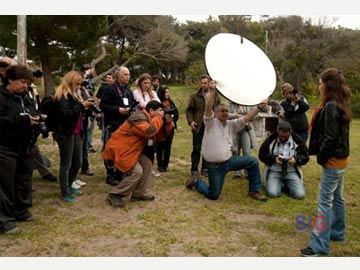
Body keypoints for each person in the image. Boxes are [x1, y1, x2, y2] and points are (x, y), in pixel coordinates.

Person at [186, 81, 268, 202]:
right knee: (213, 195)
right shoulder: (210, 123)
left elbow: (246, 118)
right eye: (222, 111)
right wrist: (213, 91)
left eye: (226, 111)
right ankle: (197, 182)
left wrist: (259, 107)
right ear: (216, 113)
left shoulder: (231, 125)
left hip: (229, 162)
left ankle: (254, 191)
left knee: (252, 162)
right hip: (215, 167)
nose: (225, 113)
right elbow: (208, 108)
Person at [300, 68, 352, 257]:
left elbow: (330, 138)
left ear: (328, 85)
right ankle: (337, 233)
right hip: (341, 160)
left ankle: (319, 245)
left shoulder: (330, 106)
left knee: (324, 203)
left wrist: (321, 158)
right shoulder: (340, 103)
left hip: (333, 161)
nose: (318, 86)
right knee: (338, 198)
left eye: (320, 82)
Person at [103, 100, 167, 208]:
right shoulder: (139, 118)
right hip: (122, 149)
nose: (161, 112)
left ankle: (138, 194)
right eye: (159, 110)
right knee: (137, 171)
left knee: (147, 164)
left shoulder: (147, 118)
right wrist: (159, 118)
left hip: (132, 149)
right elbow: (149, 131)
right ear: (151, 110)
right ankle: (115, 194)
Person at [0, 65, 37, 234]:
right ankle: (4, 220)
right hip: (5, 148)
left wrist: (37, 117)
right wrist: (21, 121)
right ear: (10, 80)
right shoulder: (1, 96)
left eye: (28, 83)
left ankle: (21, 211)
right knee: (5, 184)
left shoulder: (25, 97)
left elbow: (31, 111)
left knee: (24, 180)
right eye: (22, 82)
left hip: (26, 146)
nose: (25, 86)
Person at [53, 71, 92, 203]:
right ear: (70, 82)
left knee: (77, 162)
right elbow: (66, 114)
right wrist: (81, 106)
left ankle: (70, 184)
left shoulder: (75, 94)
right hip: (66, 133)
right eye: (77, 83)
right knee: (66, 164)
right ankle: (65, 192)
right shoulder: (61, 96)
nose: (79, 86)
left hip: (77, 132)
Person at [99, 66, 135, 186]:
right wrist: (118, 110)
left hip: (125, 125)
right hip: (112, 124)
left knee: (122, 150)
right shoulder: (110, 89)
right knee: (111, 149)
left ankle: (120, 172)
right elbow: (103, 106)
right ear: (118, 75)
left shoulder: (128, 90)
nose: (127, 77)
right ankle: (110, 174)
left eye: (129, 75)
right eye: (125, 74)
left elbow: (131, 104)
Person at [258, 121, 309, 199]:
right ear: (278, 131)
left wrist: (295, 159)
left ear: (290, 132)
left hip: (291, 171)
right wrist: (274, 159)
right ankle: (282, 184)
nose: (283, 138)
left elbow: (306, 157)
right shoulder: (271, 139)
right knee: (272, 194)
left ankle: (284, 184)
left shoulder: (297, 140)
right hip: (274, 170)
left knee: (300, 195)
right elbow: (261, 155)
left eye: (286, 136)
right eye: (281, 136)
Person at [186, 75, 220, 180]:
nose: (203, 85)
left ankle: (205, 168)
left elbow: (218, 108)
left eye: (205, 83)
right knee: (197, 148)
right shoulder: (195, 96)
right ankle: (194, 170)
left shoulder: (215, 96)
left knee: (208, 148)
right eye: (202, 83)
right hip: (198, 125)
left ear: (210, 83)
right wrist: (191, 121)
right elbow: (189, 110)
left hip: (210, 126)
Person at [133, 73, 161, 176]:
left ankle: (150, 167)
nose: (147, 85)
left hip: (151, 121)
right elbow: (141, 104)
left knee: (151, 146)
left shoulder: (153, 93)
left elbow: (158, 104)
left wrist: (152, 106)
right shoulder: (136, 92)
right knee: (141, 145)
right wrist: (152, 106)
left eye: (149, 83)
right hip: (141, 121)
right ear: (140, 83)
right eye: (145, 83)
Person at [228, 103, 258, 179]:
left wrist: (246, 117)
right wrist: (235, 115)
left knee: (246, 151)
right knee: (235, 151)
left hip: (245, 129)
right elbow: (227, 115)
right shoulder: (230, 104)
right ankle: (237, 173)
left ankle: (248, 172)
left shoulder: (247, 103)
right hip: (235, 130)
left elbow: (254, 115)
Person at [155, 85, 179, 172]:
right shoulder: (158, 102)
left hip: (170, 127)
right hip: (161, 129)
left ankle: (166, 165)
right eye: (165, 92)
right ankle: (160, 165)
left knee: (168, 147)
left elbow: (176, 112)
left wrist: (173, 119)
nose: (167, 94)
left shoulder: (170, 102)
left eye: (168, 92)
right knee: (160, 147)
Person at [96, 72, 115, 151]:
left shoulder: (115, 88)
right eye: (106, 77)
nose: (107, 79)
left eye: (109, 78)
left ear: (113, 79)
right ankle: (104, 145)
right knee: (104, 129)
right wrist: (99, 110)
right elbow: (98, 98)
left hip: (113, 111)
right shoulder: (103, 87)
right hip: (105, 111)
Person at [80, 64, 97, 154]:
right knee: (85, 127)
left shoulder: (91, 81)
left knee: (91, 126)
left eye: (90, 69)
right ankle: (86, 146)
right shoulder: (79, 80)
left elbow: (92, 93)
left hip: (91, 104)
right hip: (83, 105)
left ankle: (89, 145)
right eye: (87, 70)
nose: (89, 71)